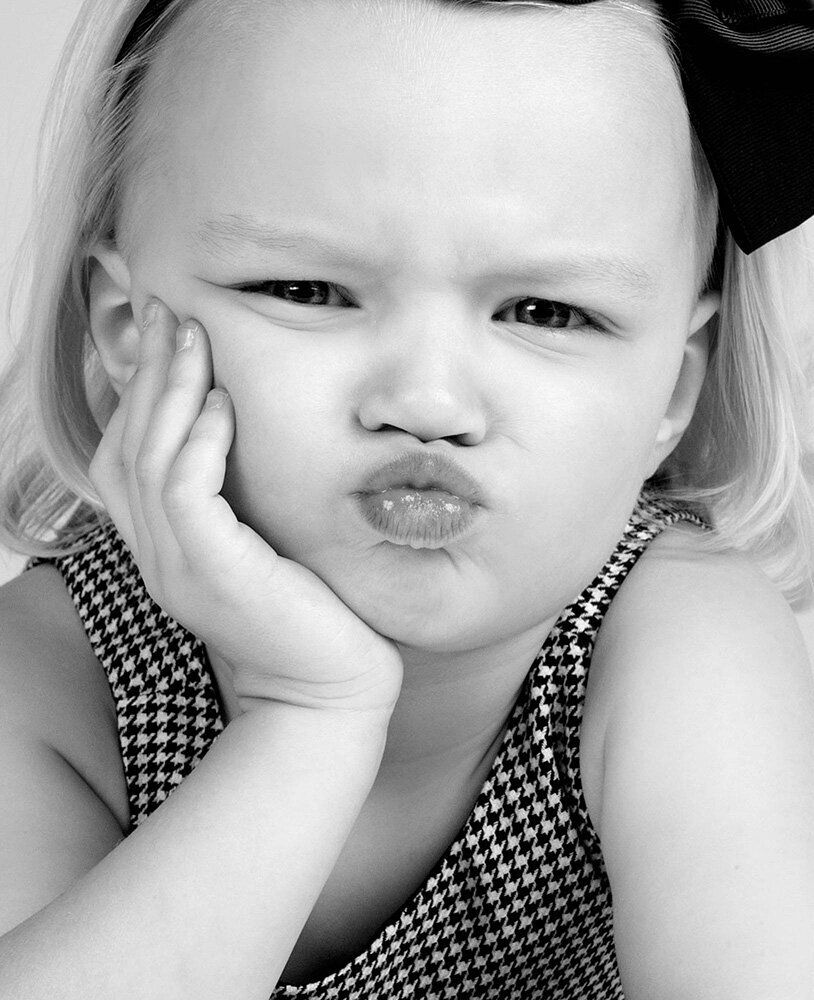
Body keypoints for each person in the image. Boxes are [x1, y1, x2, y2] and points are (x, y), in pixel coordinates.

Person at [0, 0, 812, 996]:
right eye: (307, 290)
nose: (427, 401)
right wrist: (307, 715)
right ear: (127, 331)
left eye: (546, 311)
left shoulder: (678, 639)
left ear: (673, 389)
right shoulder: (55, 671)